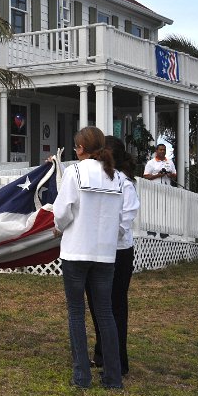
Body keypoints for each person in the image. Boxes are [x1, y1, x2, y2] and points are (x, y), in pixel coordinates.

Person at [53, 126, 124, 389]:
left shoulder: (74, 172)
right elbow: (120, 217)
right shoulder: (116, 176)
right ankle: (113, 377)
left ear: (81, 148)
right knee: (105, 313)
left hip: (76, 250)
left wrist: (60, 227)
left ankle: (82, 376)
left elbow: (62, 211)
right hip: (105, 252)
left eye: (76, 147)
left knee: (76, 312)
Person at [87, 136, 140, 375]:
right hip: (96, 249)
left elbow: (124, 223)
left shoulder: (125, 185)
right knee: (97, 304)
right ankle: (101, 354)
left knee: (115, 306)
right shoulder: (98, 180)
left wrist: (101, 229)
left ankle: (118, 361)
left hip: (118, 253)